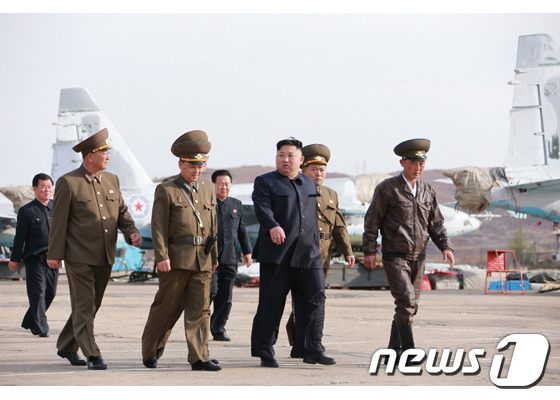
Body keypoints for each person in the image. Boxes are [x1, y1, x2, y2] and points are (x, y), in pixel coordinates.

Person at [47, 128, 142, 370]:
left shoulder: (112, 180)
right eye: (104, 152)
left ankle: (67, 344)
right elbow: (58, 222)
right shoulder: (69, 182)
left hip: (105, 255)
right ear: (90, 155)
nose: (108, 156)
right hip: (79, 257)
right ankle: (93, 355)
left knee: (92, 305)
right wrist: (54, 254)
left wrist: (131, 232)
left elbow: (121, 212)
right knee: (84, 305)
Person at [362, 138, 454, 364]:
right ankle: (409, 350)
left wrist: (445, 246)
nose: (418, 167)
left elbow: (436, 223)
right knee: (406, 301)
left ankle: (393, 351)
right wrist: (370, 250)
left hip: (419, 256)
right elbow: (372, 220)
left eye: (421, 163)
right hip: (395, 255)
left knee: (410, 306)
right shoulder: (388, 188)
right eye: (413, 162)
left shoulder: (427, 190)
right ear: (403, 162)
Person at [250, 137, 335, 368]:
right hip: (279, 254)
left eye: (290, 156)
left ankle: (313, 348)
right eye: (281, 155)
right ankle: (265, 349)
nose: (285, 160)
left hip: (309, 253)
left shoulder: (308, 184)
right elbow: (262, 206)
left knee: (315, 299)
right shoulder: (265, 182)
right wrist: (273, 225)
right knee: (271, 303)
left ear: (301, 159)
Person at [141, 130, 221, 372]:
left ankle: (199, 357)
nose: (196, 170)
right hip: (176, 259)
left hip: (203, 260)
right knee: (167, 307)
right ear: (180, 163)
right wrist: (162, 257)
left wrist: (214, 256)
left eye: (201, 165)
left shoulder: (208, 189)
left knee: (200, 310)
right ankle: (151, 349)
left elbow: (213, 226)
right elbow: (158, 227)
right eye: (191, 165)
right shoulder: (166, 189)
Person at [286, 144, 356, 351]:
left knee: (315, 297)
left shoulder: (331, 194)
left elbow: (339, 226)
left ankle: (305, 341)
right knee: (303, 298)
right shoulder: (294, 190)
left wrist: (347, 251)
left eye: (322, 169)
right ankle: (304, 343)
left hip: (323, 254)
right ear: (303, 170)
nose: (319, 173)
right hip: (300, 252)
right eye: (314, 169)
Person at [9, 173, 57, 338]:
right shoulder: (26, 211)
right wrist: (14, 258)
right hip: (34, 258)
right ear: (35, 189)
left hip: (53, 258)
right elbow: (19, 237)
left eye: (49, 187)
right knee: (37, 293)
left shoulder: (57, 208)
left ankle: (30, 320)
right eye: (43, 187)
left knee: (50, 293)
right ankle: (41, 327)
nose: (46, 190)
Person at [210, 169, 252, 341]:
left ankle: (218, 328)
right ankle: (198, 328)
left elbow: (242, 230)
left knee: (226, 296)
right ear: (213, 185)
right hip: (210, 258)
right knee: (210, 293)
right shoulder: (208, 203)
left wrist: (248, 252)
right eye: (220, 183)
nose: (224, 187)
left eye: (227, 184)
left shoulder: (236, 204)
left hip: (230, 258)